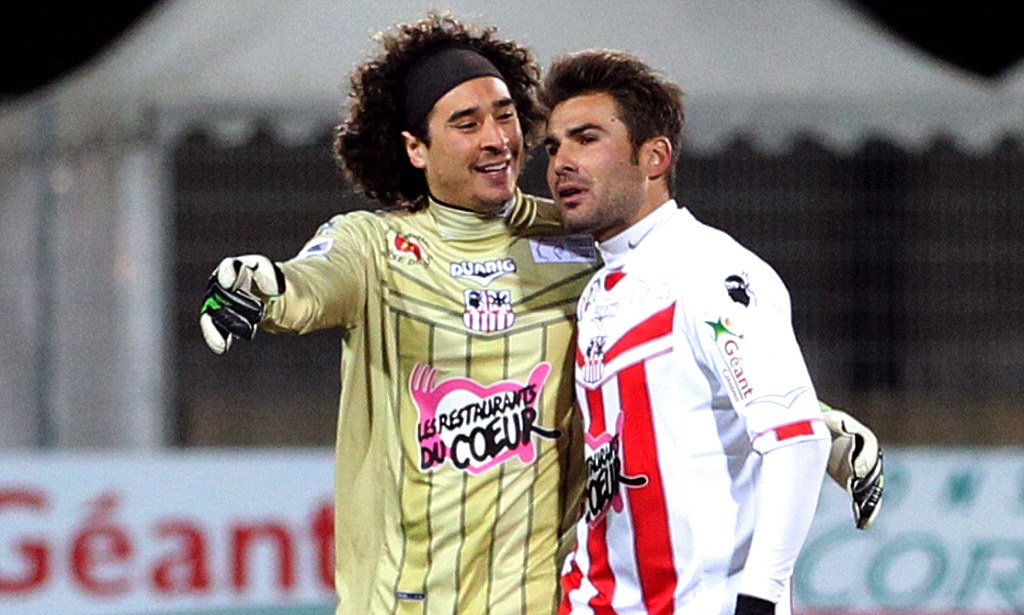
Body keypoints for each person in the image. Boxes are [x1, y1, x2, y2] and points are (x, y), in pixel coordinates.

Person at [197, 13, 882, 615]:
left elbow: (684, 330)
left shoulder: (577, 239)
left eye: (505, 116)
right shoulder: (373, 247)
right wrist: (264, 288)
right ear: (415, 148)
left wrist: (812, 422)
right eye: (467, 124)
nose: (498, 139)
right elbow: (310, 284)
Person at [539, 49, 864, 614]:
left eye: (586, 139)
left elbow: (796, 440)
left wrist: (759, 598)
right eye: (553, 146)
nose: (562, 162)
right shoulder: (597, 290)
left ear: (654, 157)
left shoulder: (711, 271)